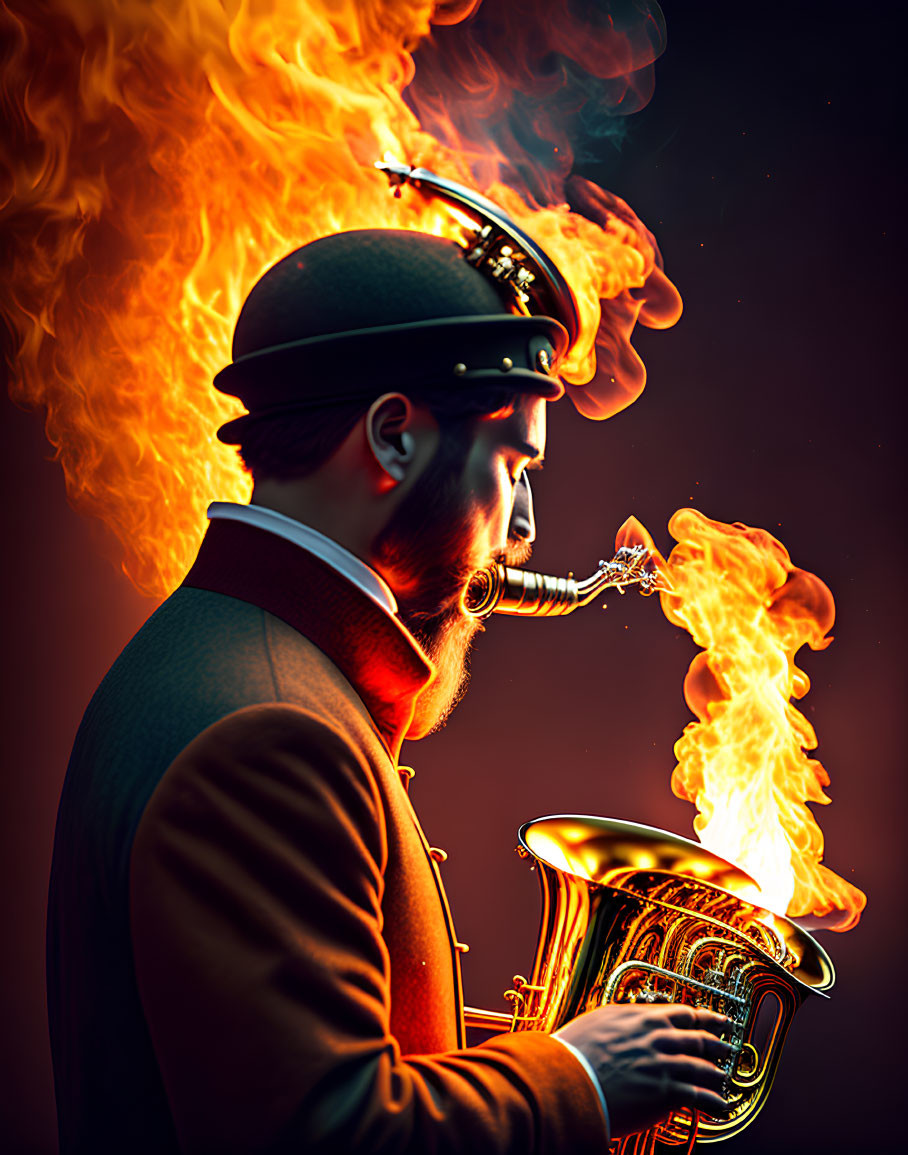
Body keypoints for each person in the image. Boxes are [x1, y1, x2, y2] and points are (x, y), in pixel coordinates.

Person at [47, 227, 732, 1154]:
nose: (524, 525)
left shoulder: (222, 653)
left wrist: (532, 1049)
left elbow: (286, 1062)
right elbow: (323, 1135)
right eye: (513, 465)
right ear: (394, 437)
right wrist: (583, 1079)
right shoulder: (269, 733)